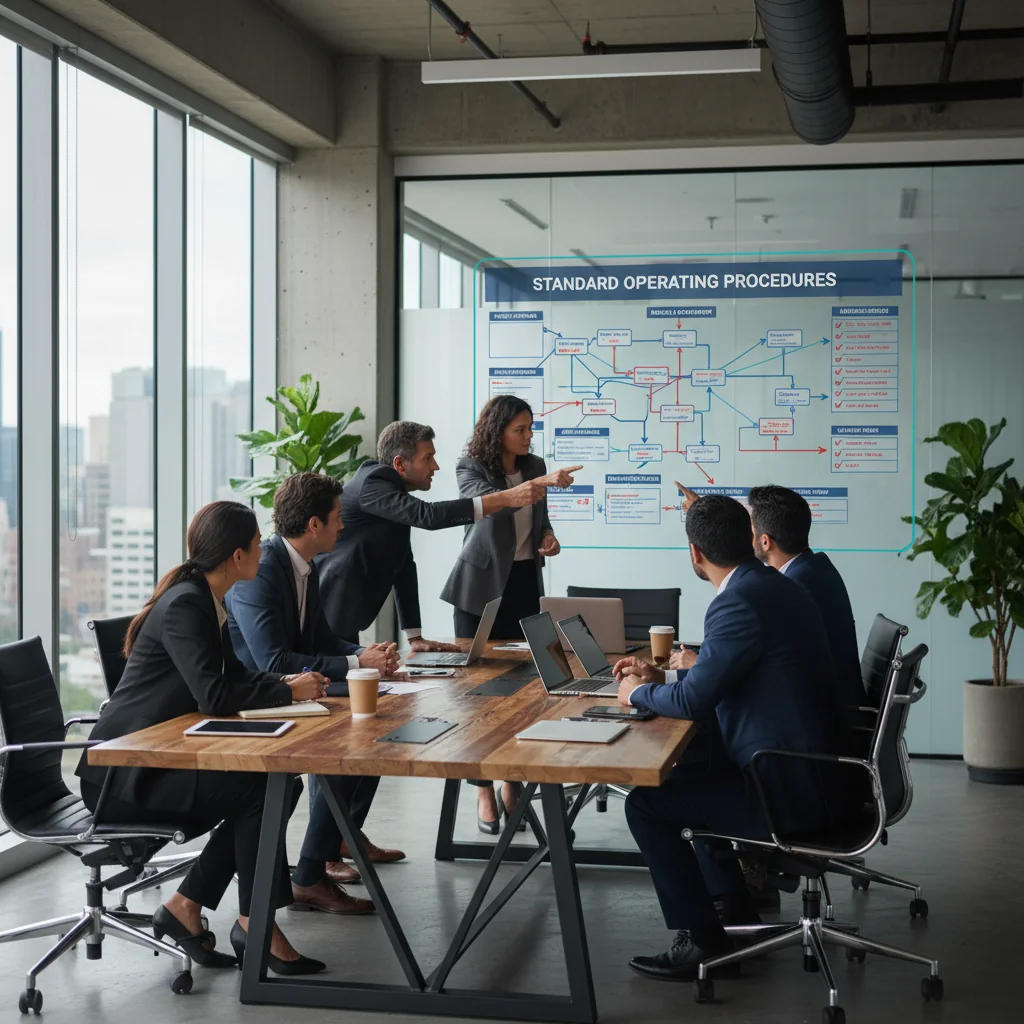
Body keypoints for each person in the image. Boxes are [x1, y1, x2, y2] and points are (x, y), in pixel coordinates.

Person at [76, 501, 328, 975]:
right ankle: (254, 924)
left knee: (274, 784)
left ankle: (187, 906)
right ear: (237, 555)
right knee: (263, 790)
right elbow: (214, 695)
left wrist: (289, 686)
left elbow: (234, 675)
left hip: (156, 757)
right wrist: (283, 689)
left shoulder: (206, 598)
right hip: (124, 774)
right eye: (257, 544)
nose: (263, 550)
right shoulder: (187, 603)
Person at [611, 494, 852, 981]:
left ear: (695, 554)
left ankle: (702, 943)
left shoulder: (738, 602)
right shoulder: (768, 585)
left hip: (788, 790)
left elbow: (694, 702)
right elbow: (714, 683)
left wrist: (635, 695)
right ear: (749, 540)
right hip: (812, 771)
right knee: (696, 771)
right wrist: (659, 684)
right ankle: (736, 914)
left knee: (646, 806)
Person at [226, 472, 402, 911]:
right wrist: (357, 664)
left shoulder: (304, 566)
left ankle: (329, 848)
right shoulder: (262, 571)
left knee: (376, 726)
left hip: (297, 690)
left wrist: (365, 653)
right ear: (313, 525)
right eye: (338, 518)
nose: (344, 526)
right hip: (254, 701)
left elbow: (322, 639)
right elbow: (271, 662)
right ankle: (309, 875)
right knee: (353, 741)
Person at [439, 394, 580, 833]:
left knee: (527, 688)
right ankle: (483, 788)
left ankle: (512, 783)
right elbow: (490, 505)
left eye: (530, 428)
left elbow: (540, 515)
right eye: (519, 429)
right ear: (497, 429)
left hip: (523, 581)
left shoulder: (535, 465)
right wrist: (539, 486)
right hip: (479, 585)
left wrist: (549, 536)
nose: (527, 436)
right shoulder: (471, 466)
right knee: (477, 695)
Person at [317, 420, 546, 651]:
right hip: (331, 602)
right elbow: (429, 516)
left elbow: (403, 565)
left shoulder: (392, 495)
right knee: (337, 679)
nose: (435, 466)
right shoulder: (374, 482)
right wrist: (504, 498)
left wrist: (415, 636)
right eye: (427, 458)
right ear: (400, 464)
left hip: (344, 608)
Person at [747, 484, 864, 709]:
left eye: (750, 531)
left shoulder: (796, 586)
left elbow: (761, 664)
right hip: (836, 706)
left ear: (765, 541)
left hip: (823, 717)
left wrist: (699, 667)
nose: (746, 536)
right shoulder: (816, 567)